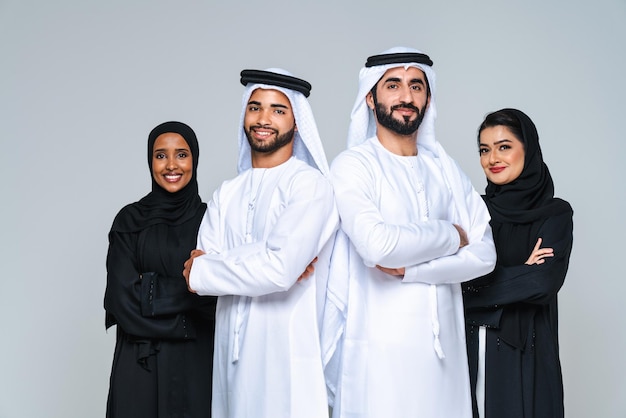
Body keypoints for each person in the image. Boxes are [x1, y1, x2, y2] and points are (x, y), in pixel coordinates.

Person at [321, 47, 497, 418]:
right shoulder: (353, 166)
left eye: (416, 86)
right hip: (377, 356)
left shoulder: (445, 169)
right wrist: (452, 235)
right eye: (393, 85)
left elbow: (485, 255)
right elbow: (379, 246)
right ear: (370, 97)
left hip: (444, 358)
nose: (406, 97)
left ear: (427, 97)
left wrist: (415, 269)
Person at [182, 68, 339, 418]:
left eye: (277, 110)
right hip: (230, 359)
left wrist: (212, 268)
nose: (263, 118)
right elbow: (205, 276)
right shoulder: (227, 193)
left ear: (296, 123)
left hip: (287, 358)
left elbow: (278, 270)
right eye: (255, 107)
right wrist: (265, 260)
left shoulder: (310, 185)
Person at [462, 108, 573, 418]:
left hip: (527, 353)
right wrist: (522, 272)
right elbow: (452, 285)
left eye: (504, 146)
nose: (492, 158)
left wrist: (478, 288)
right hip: (466, 351)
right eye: (484, 150)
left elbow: (541, 283)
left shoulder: (555, 214)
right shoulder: (473, 212)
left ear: (529, 148)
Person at [104, 121, 217, 417]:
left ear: (194, 159)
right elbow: (121, 300)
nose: (170, 165)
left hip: (197, 364)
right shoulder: (129, 221)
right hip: (140, 364)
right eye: (160, 155)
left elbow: (220, 298)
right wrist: (191, 290)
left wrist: (149, 287)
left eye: (181, 154)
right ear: (150, 161)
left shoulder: (213, 221)